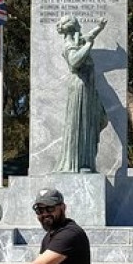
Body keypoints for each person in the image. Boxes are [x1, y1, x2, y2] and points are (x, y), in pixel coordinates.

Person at [55, 15, 108, 173]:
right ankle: (77, 164)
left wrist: (99, 28)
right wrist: (89, 45)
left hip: (88, 88)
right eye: (77, 24)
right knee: (81, 124)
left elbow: (89, 36)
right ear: (72, 27)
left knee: (100, 119)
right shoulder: (69, 44)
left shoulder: (77, 41)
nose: (80, 26)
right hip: (79, 87)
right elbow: (74, 61)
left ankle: (86, 161)